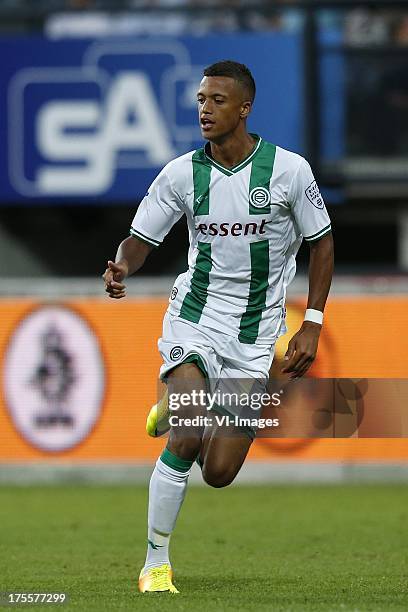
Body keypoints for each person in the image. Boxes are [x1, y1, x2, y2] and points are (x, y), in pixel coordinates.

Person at [103, 60, 334, 594]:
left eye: (217, 101)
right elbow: (139, 239)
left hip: (255, 338)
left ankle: (176, 404)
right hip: (196, 319)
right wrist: (121, 266)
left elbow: (321, 241)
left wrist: (313, 323)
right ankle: (155, 563)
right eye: (201, 100)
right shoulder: (182, 174)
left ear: (244, 109)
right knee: (187, 433)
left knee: (220, 471)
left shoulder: (289, 171)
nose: (205, 109)